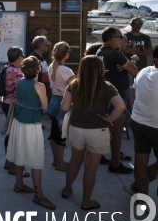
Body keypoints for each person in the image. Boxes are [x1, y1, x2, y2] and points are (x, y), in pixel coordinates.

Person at [61, 56, 126, 210]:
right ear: (100, 68)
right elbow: (121, 106)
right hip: (98, 130)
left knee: (75, 161)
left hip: (77, 129)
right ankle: (86, 201)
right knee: (91, 167)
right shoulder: (107, 86)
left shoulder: (74, 84)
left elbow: (64, 107)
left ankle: (67, 189)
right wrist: (109, 118)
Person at [5, 57, 54, 210]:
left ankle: (19, 184)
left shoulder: (20, 82)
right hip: (32, 124)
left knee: (20, 152)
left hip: (18, 122)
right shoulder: (39, 86)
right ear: (37, 69)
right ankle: (39, 195)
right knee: (36, 159)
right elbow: (45, 106)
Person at [96, 26, 138, 174]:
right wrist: (127, 67)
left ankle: (100, 156)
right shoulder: (115, 55)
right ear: (113, 39)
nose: (122, 40)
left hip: (103, 97)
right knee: (117, 132)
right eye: (120, 37)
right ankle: (115, 163)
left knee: (105, 130)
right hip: (116, 98)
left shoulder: (99, 52)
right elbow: (135, 71)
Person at [124, 46, 158, 196]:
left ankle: (139, 193)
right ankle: (137, 189)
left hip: (138, 122)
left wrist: (136, 113)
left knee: (140, 160)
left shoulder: (144, 71)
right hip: (154, 126)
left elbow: (132, 94)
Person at [45, 42, 76, 172]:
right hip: (64, 103)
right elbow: (76, 87)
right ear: (66, 54)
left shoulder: (51, 66)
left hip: (53, 101)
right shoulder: (66, 70)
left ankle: (56, 160)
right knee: (61, 135)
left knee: (54, 133)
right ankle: (60, 163)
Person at [1, 46, 25, 177]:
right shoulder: (18, 73)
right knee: (15, 135)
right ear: (19, 58)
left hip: (5, 102)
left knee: (9, 133)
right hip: (14, 104)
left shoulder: (5, 68)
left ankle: (8, 161)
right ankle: (13, 166)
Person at [29, 35, 51, 101]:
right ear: (40, 46)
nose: (48, 45)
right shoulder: (33, 59)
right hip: (37, 93)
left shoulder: (40, 56)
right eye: (47, 44)